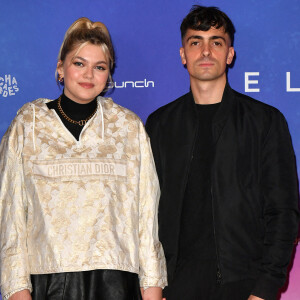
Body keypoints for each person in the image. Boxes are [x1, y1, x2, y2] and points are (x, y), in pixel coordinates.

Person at [0, 17, 167, 300]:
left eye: (99, 67)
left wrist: (152, 292)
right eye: (79, 63)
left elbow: (147, 218)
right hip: (48, 284)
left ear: (108, 74)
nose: (89, 74)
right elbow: (10, 219)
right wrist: (18, 293)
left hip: (117, 285)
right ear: (60, 67)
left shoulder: (128, 127)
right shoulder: (27, 125)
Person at [145, 5, 299, 300]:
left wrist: (265, 289)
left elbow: (283, 212)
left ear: (230, 54)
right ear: (183, 55)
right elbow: (145, 212)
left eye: (216, 42)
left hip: (244, 286)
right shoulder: (160, 124)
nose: (205, 51)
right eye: (195, 42)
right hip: (175, 287)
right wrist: (153, 285)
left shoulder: (265, 122)